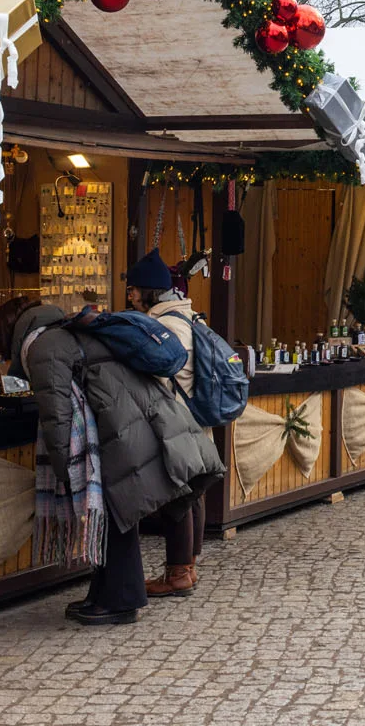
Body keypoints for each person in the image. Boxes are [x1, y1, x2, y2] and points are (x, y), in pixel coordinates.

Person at [0, 296, 226, 625]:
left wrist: (64, 471)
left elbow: (56, 415)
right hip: (132, 421)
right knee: (116, 511)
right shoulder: (65, 330)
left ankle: (121, 600)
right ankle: (104, 594)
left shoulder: (42, 346)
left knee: (118, 511)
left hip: (120, 429)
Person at [124, 250, 218, 598]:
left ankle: (178, 573)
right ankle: (189, 566)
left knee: (177, 495)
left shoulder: (164, 326)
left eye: (133, 289)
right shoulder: (191, 317)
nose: (130, 296)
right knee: (192, 492)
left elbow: (160, 376)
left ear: (147, 291)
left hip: (176, 421)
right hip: (195, 420)